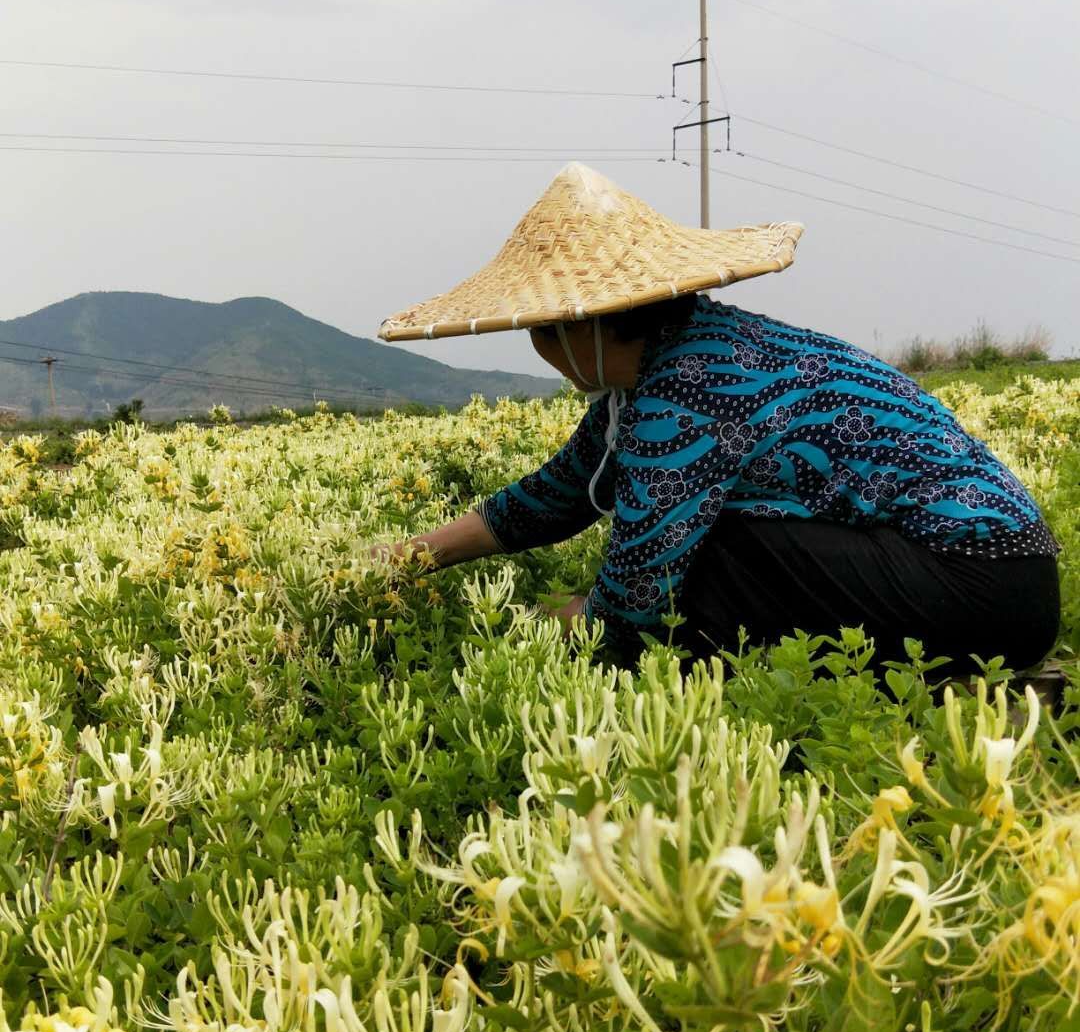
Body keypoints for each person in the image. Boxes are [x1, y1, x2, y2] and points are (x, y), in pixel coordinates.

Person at [377, 163, 1059, 673]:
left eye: (539, 326)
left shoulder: (688, 387)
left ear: (579, 328)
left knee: (715, 554)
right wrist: (408, 559)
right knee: (705, 545)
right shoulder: (670, 361)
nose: (535, 344)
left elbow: (636, 598)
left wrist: (540, 627)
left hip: (979, 585)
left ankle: (721, 724)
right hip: (989, 579)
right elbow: (557, 494)